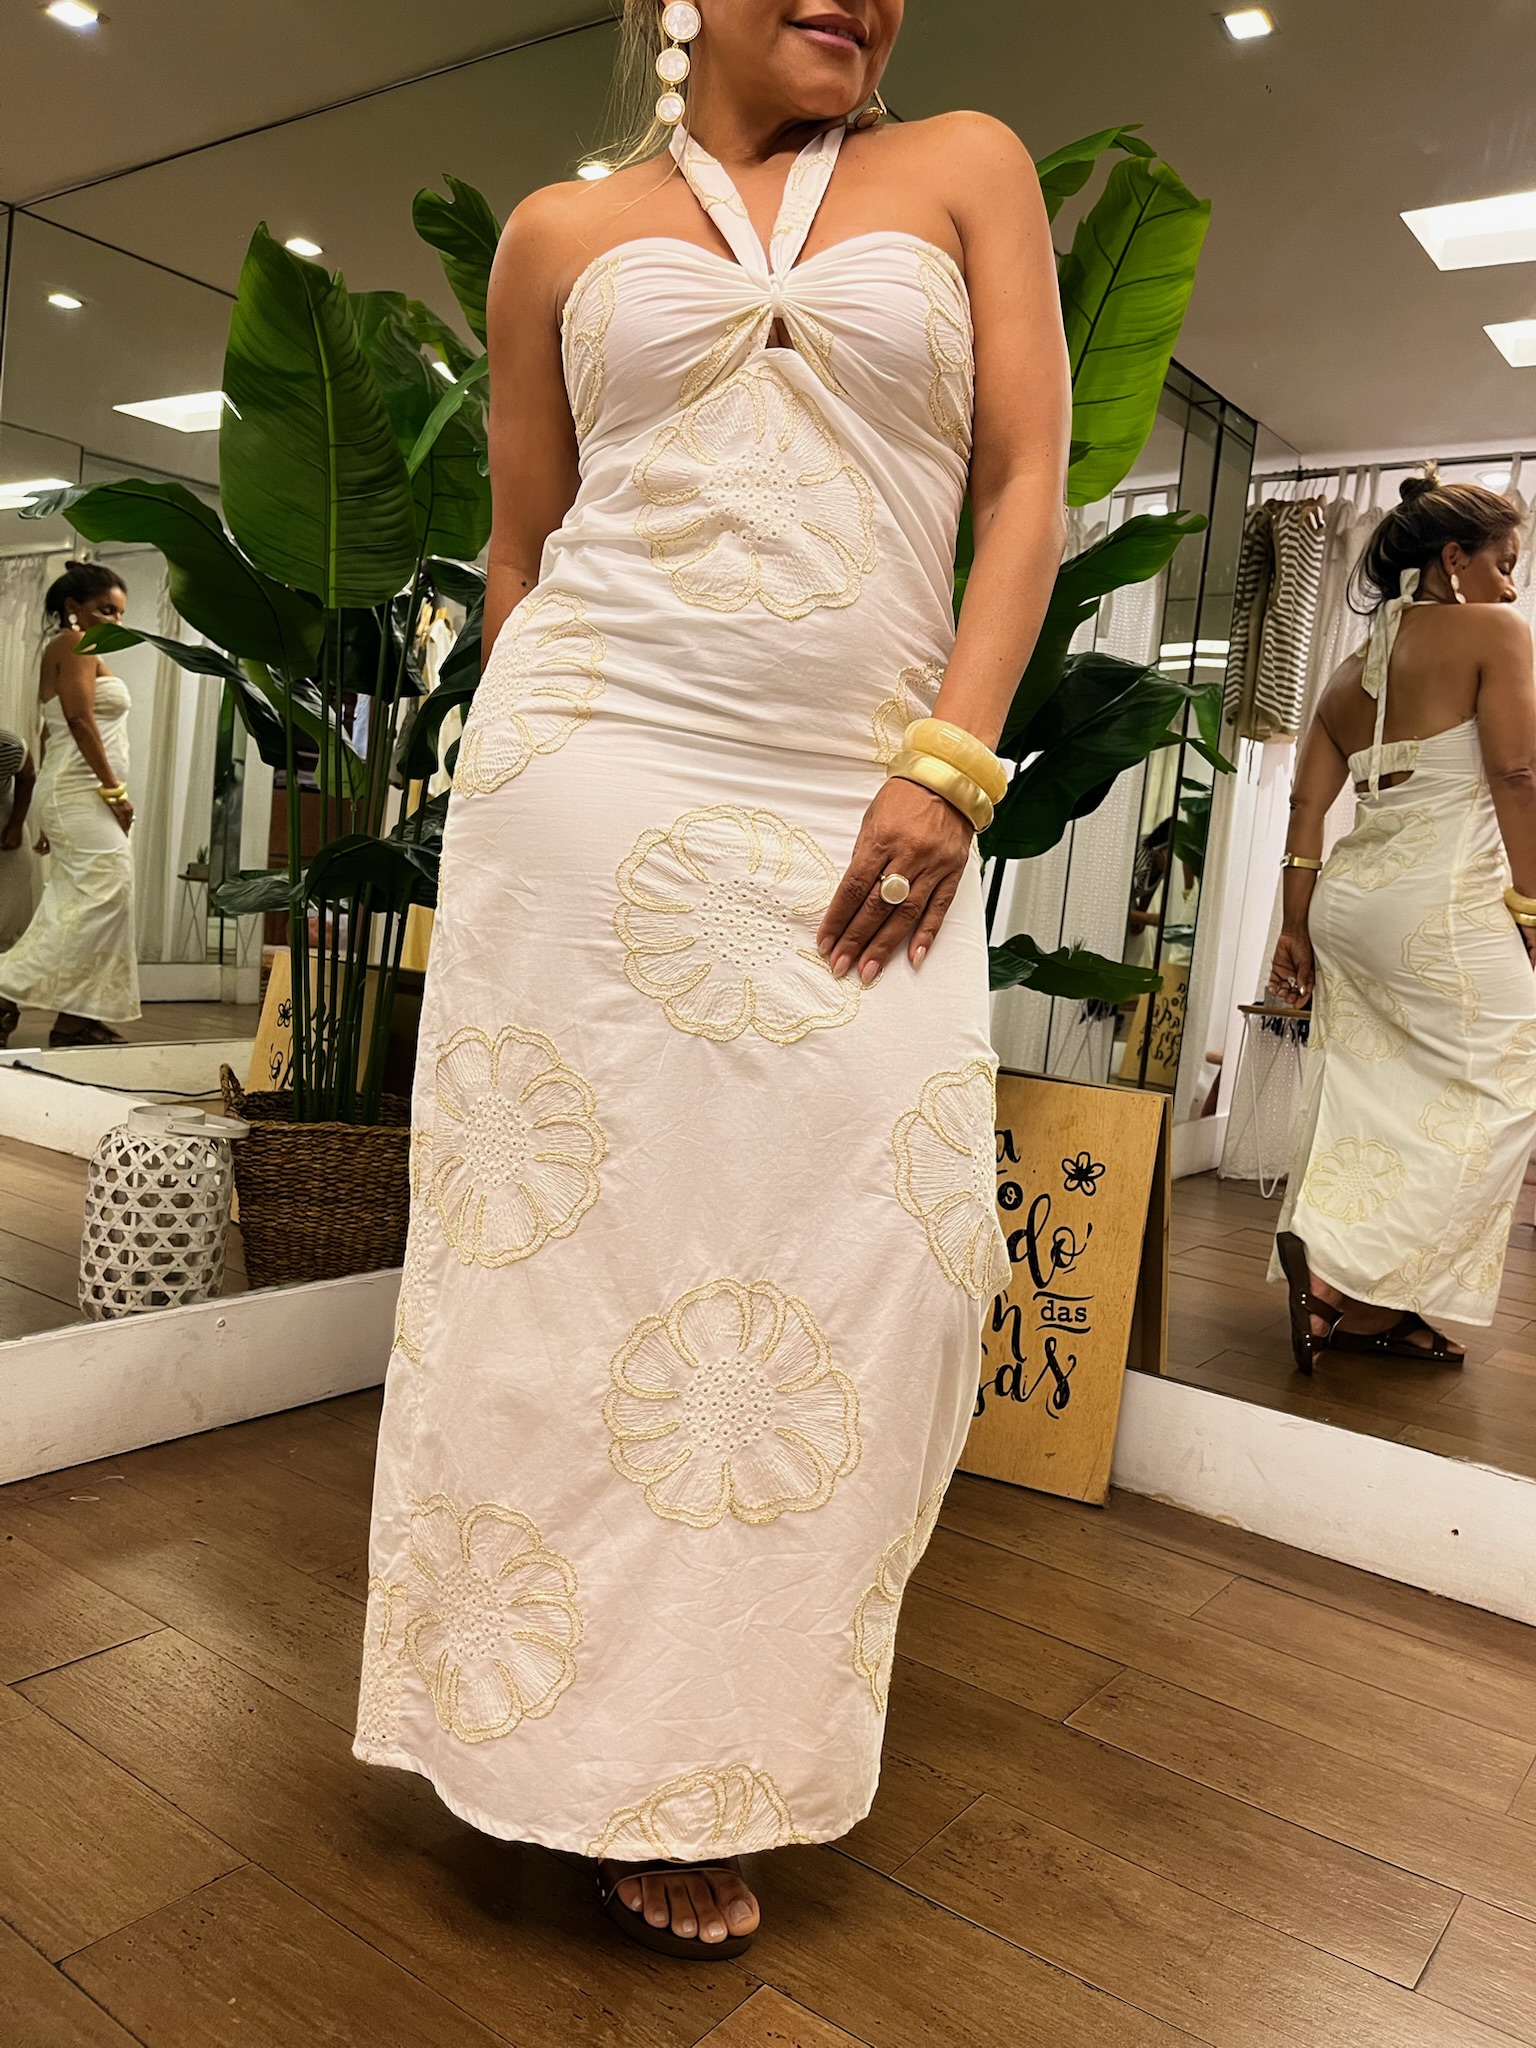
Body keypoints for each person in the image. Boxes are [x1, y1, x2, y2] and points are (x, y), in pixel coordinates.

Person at [354, 0, 1069, 1959]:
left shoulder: (965, 167)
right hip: (592, 779)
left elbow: (1026, 483)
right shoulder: (558, 232)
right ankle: (584, 1749)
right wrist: (519, 795)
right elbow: (523, 553)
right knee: (573, 1269)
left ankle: (726, 1729)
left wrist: (951, 762)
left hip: (865, 787)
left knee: (892, 1266)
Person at [1268, 473, 1536, 1371]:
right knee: (1513, 1080)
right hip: (1438, 903)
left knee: (1376, 1093)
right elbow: (1518, 777)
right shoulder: (1494, 633)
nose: (1511, 587)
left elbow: (1306, 810)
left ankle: (1371, 1302)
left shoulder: (1348, 673)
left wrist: (1294, 929)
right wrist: (1532, 908)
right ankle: (1335, 1278)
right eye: (1504, 564)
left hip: (1349, 907)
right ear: (1452, 560)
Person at [0, 561, 140, 1049]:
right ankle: (5, 989)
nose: (115, 622)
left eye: (120, 614)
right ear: (73, 608)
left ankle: (76, 1020)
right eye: (106, 610)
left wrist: (47, 811)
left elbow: (48, 730)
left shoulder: (80, 649)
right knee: (106, 896)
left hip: (73, 795)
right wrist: (114, 793)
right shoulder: (74, 643)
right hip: (83, 793)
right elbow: (79, 721)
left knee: (87, 902)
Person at [0, 725, 39, 984]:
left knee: (7, 904)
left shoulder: (7, 746)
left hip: (2, 812)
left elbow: (27, 776)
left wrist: (15, 824)